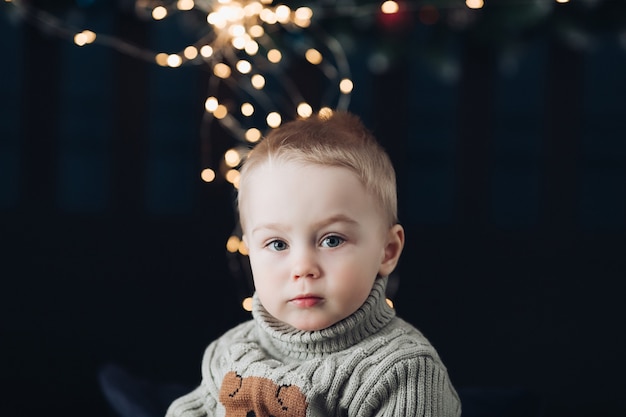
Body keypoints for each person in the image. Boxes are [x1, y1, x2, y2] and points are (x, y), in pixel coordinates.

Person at [166, 110, 461, 417]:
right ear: (250, 251)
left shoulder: (403, 371)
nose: (303, 267)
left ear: (387, 251)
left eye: (332, 240)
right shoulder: (230, 351)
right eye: (277, 244)